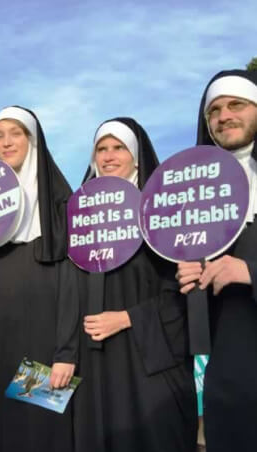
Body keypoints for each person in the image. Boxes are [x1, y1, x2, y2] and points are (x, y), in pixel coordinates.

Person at [0, 106, 79, 452]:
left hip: (41, 343)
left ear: (33, 141)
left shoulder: (59, 204)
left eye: (16, 133)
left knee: (38, 433)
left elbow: (72, 285)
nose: (6, 142)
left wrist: (65, 352)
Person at [74, 118, 197, 452]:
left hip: (148, 358)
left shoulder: (163, 214)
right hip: (89, 363)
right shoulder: (75, 220)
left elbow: (180, 292)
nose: (109, 156)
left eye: (119, 148)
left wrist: (126, 318)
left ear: (138, 157)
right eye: (102, 149)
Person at [176, 70, 257, 452]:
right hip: (229, 370)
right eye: (215, 110)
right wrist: (191, 277)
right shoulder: (196, 193)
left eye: (236, 105)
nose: (224, 116)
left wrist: (250, 272)